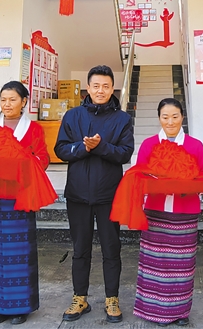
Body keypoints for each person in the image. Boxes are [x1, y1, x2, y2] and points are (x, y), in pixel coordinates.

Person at [54, 65, 134, 324]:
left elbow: (125, 154)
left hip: (109, 194)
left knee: (112, 248)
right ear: (87, 88)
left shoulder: (122, 119)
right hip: (78, 194)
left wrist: (100, 147)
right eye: (96, 86)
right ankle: (80, 297)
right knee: (80, 249)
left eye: (106, 86)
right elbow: (60, 150)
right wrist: (83, 148)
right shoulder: (73, 115)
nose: (101, 90)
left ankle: (112, 298)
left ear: (113, 89)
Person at [131, 98, 203, 327]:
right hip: (155, 212)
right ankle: (152, 309)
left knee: (182, 263)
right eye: (165, 117)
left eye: (175, 116)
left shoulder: (195, 146)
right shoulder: (149, 144)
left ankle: (180, 311)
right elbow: (139, 176)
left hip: (185, 212)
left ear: (182, 117)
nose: (170, 122)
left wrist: (188, 183)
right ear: (159, 118)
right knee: (154, 262)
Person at [0, 81, 50, 325]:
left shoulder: (34, 129)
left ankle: (21, 306)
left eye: (12, 99)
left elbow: (43, 158)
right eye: (3, 100)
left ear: (23, 102)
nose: (7, 104)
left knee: (21, 252)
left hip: (22, 196)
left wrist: (25, 161)